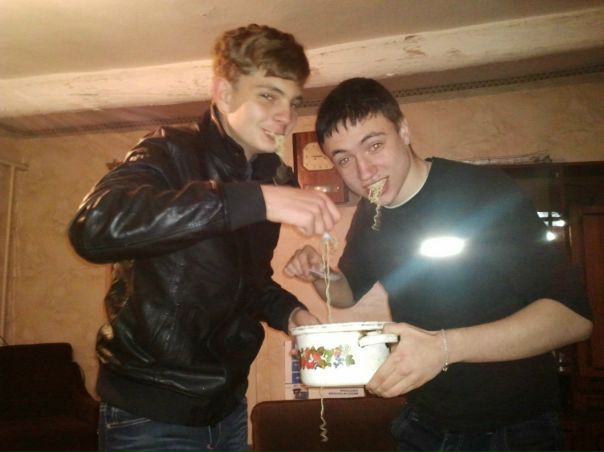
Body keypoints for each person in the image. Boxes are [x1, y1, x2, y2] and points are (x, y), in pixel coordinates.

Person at [68, 24, 339, 452]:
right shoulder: (169, 151)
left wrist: (293, 315)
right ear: (224, 93)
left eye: (293, 101)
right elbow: (94, 226)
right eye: (268, 95)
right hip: (150, 416)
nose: (286, 117)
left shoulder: (269, 178)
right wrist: (251, 200)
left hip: (228, 410)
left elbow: (247, 283)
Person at [284, 77, 593, 452]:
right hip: (425, 420)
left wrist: (444, 347)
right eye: (344, 159)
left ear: (403, 130)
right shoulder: (370, 214)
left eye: (375, 145)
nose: (364, 172)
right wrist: (321, 275)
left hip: (513, 427)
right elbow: (347, 292)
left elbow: (572, 318)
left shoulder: (482, 191)